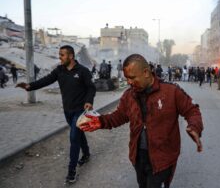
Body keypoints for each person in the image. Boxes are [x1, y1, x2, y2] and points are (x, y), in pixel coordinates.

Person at [79, 54, 203, 188]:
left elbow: (192, 110)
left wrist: (194, 127)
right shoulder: (129, 95)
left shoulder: (171, 91)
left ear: (145, 73)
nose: (129, 82)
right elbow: (119, 116)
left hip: (163, 158)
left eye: (132, 78)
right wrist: (101, 121)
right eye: (127, 78)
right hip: (138, 156)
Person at [16, 45, 96, 184]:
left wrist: (89, 101)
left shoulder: (83, 71)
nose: (59, 57)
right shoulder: (59, 70)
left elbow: (91, 87)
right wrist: (30, 86)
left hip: (80, 110)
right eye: (59, 55)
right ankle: (87, 154)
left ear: (71, 56)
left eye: (62, 55)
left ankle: (71, 172)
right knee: (78, 133)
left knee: (74, 137)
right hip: (67, 110)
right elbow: (46, 80)